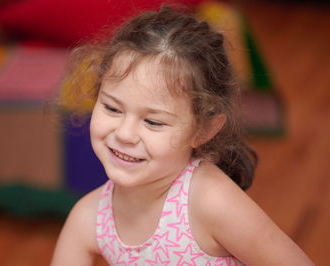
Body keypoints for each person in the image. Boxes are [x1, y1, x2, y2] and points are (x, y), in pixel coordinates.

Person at [51, 6, 313, 265]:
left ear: (203, 130)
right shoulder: (89, 218)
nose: (125, 134)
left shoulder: (211, 201)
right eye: (112, 108)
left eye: (153, 121)